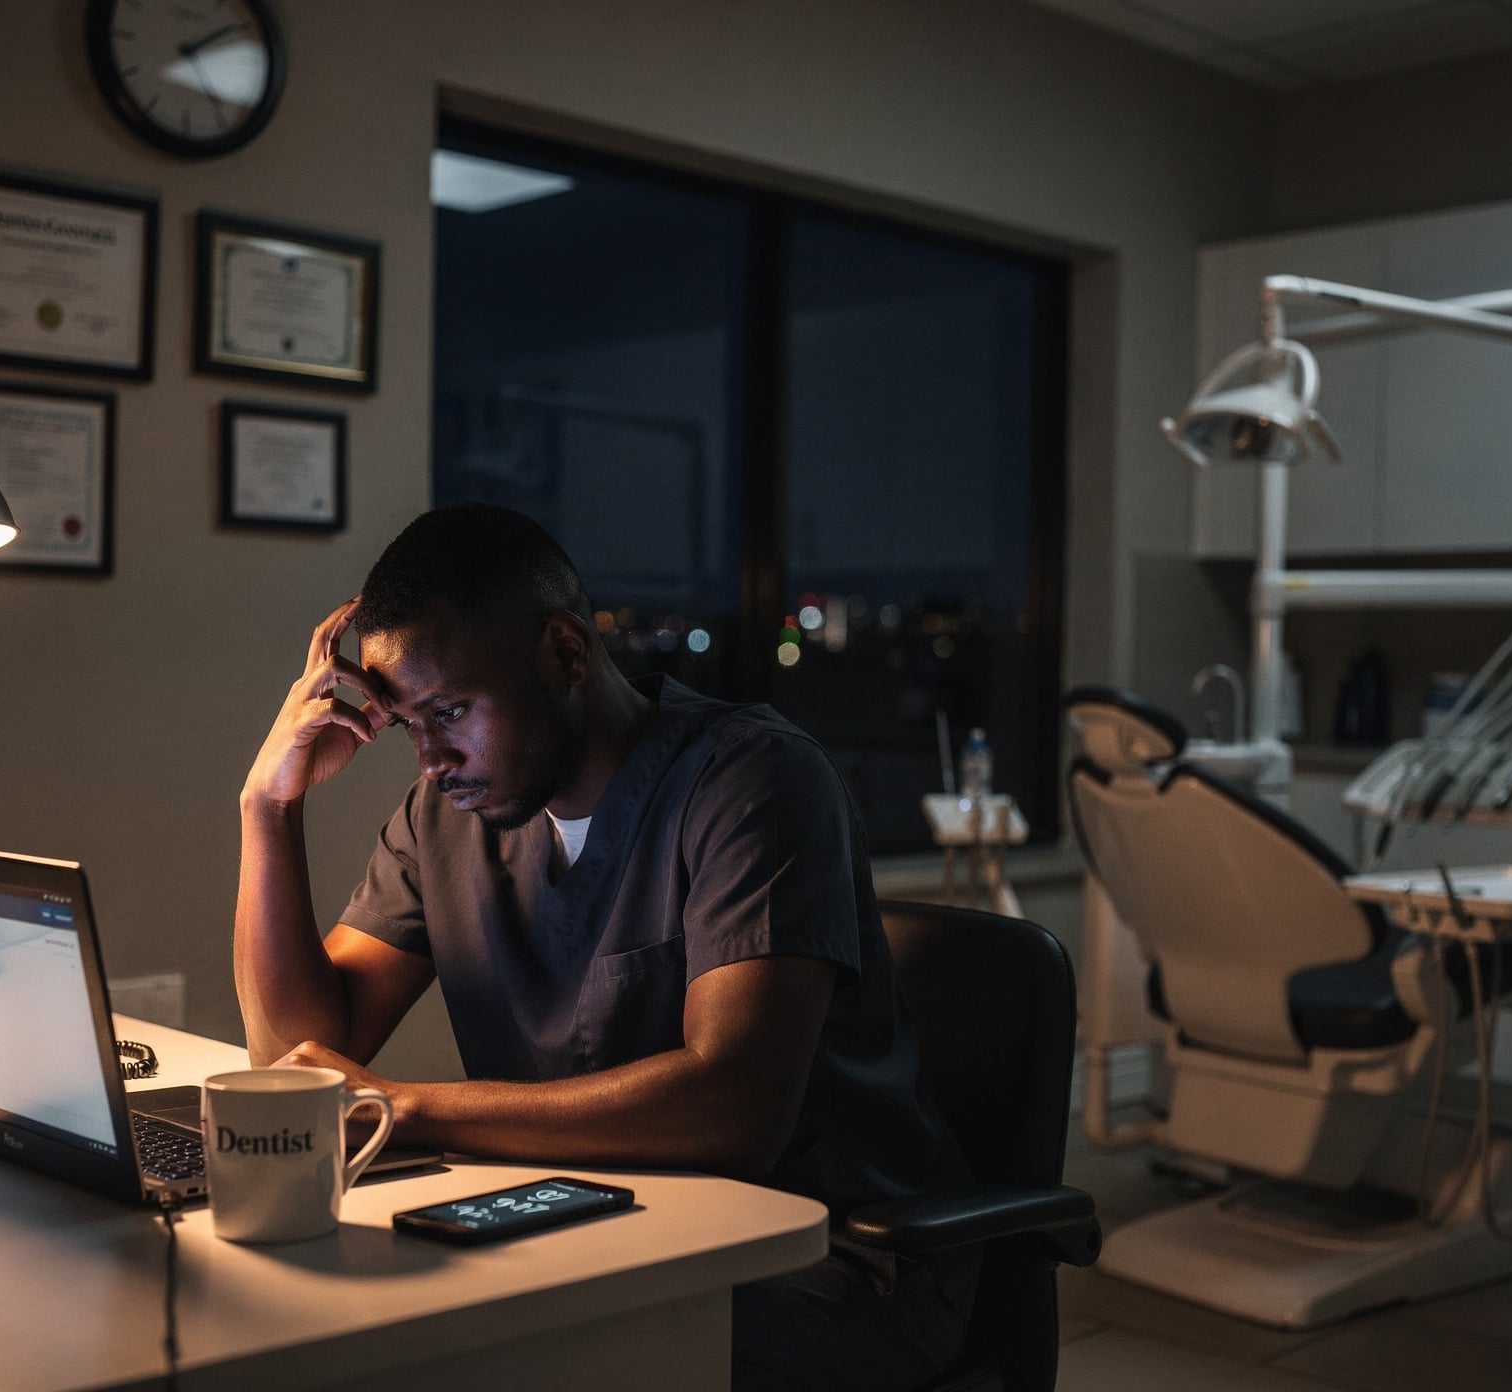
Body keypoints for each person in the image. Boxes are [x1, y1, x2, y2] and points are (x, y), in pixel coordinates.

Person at [235, 503, 976, 1390]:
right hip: (600, 1226)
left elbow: (733, 1112)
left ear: (565, 653)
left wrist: (406, 1107)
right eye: (409, 726)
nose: (430, 759)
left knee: (479, 1366)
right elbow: (295, 1063)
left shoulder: (754, 784)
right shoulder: (444, 821)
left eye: (452, 712)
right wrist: (268, 808)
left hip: (826, 1258)